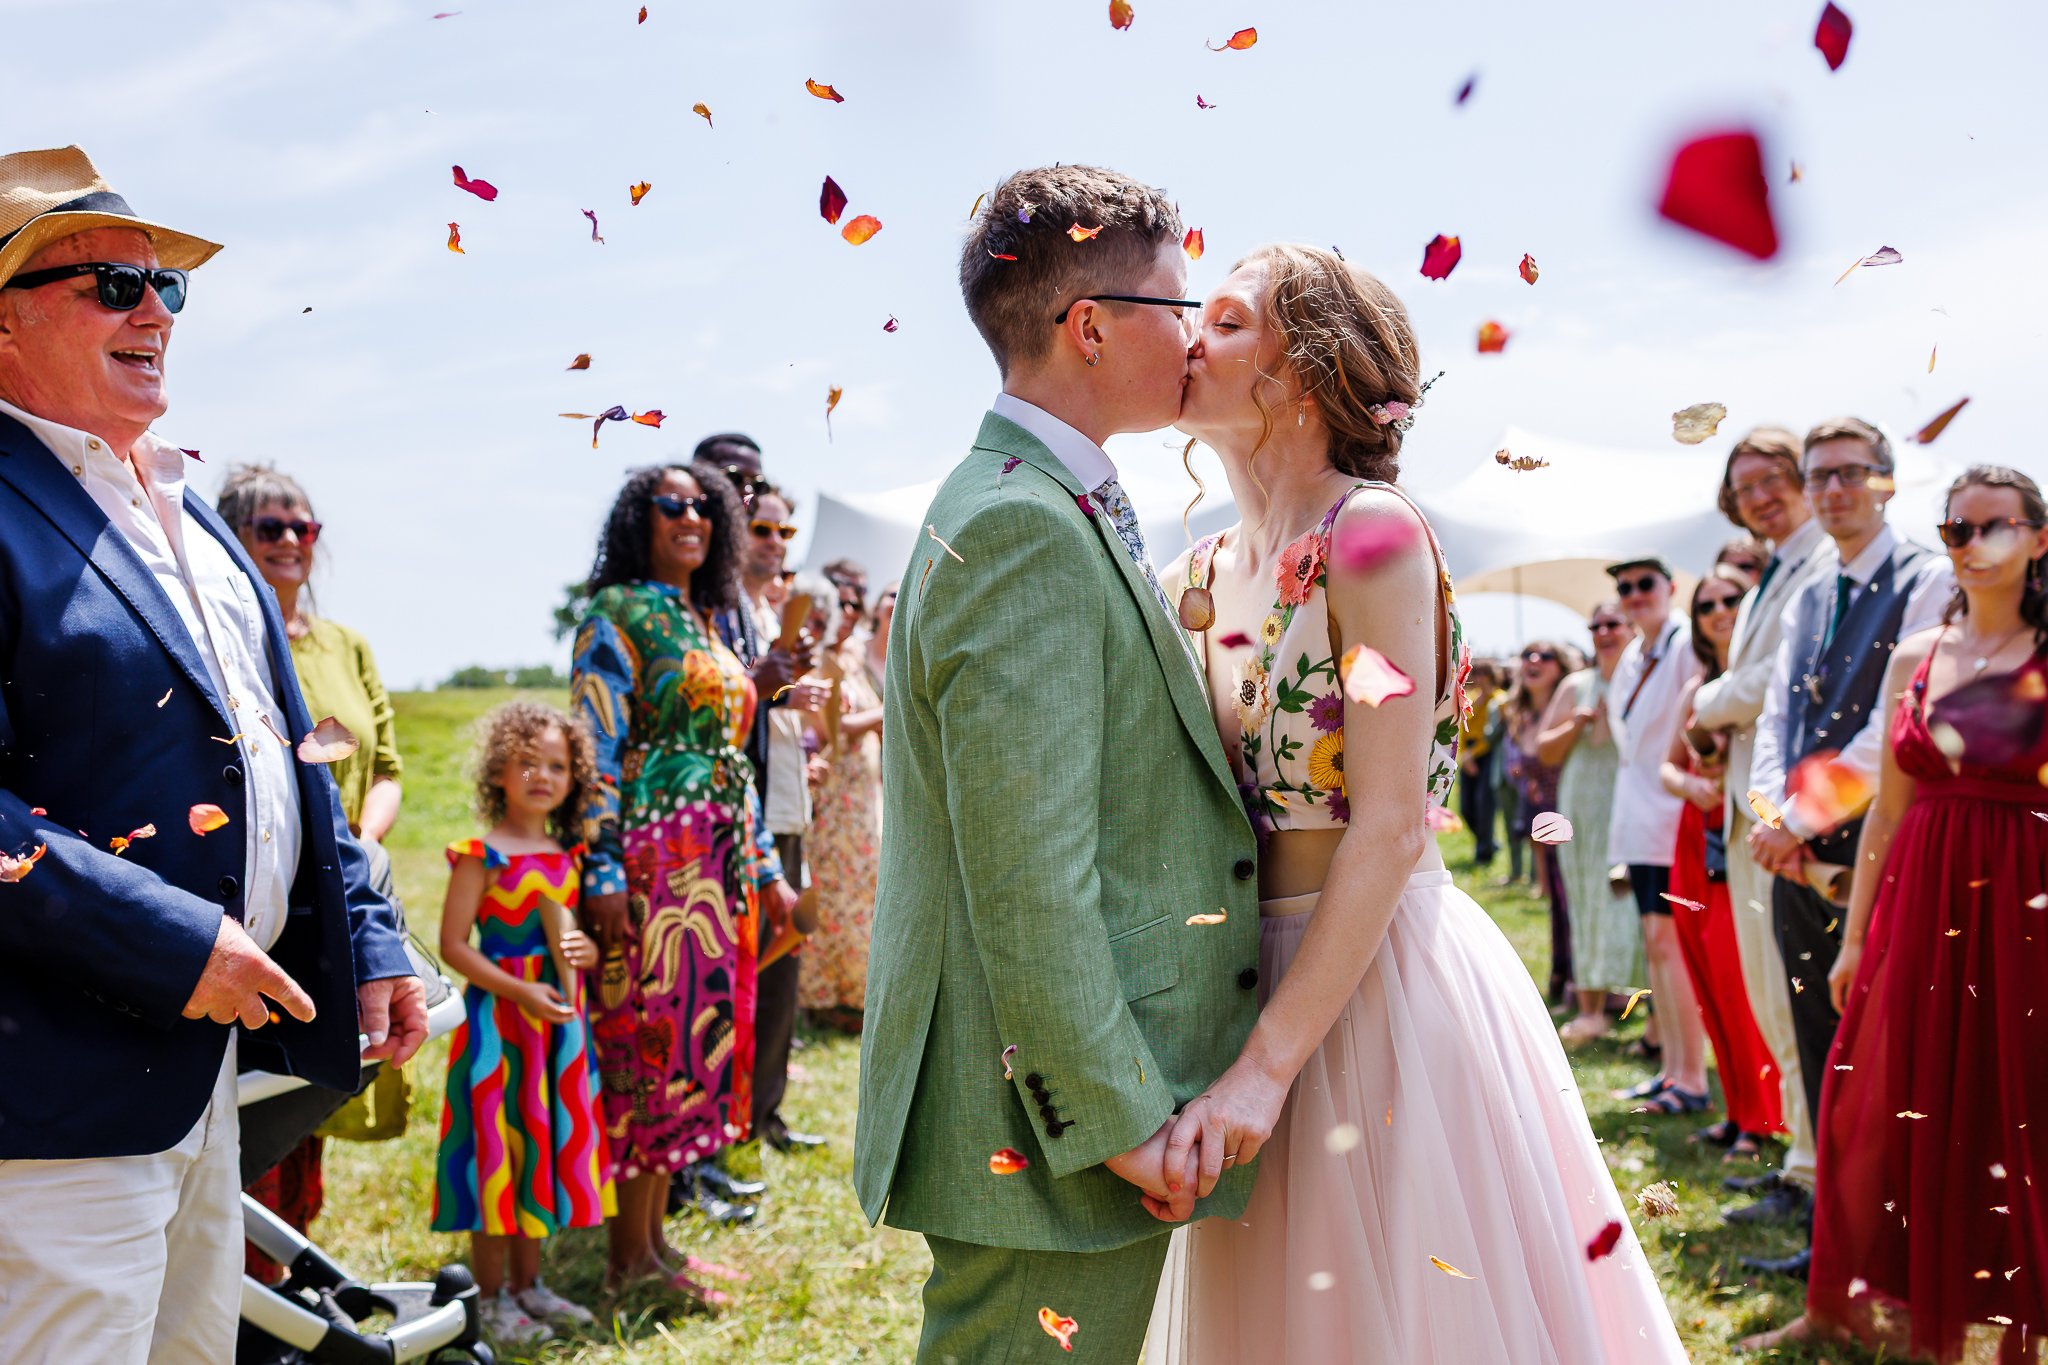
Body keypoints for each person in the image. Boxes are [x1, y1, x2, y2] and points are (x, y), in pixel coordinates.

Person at [1146, 243, 1684, 1363]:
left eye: (1229, 321)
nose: (1189, 337)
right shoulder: (1186, 574)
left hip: (1377, 976)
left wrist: (1264, 1069)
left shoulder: (1372, 534)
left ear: (1304, 370)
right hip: (1230, 979)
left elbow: (1389, 828)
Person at [0, 144, 424, 1363]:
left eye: (165, 286)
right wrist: (175, 943)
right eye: (111, 284)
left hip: (200, 1085)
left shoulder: (190, 512)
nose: (153, 310)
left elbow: (286, 759)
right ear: (6, 321)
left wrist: (372, 934)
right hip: (51, 1101)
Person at [853, 164, 1262, 1364]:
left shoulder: (1031, 500)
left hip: (1049, 1105)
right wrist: (1117, 1119)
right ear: (1089, 326)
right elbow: (1027, 869)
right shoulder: (1018, 525)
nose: (1194, 340)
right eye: (1176, 310)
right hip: (1043, 1124)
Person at [1745, 465, 2048, 1361]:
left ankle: (2008, 1312)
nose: (1975, 544)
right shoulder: (1918, 654)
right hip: (1921, 896)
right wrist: (1860, 933)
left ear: (2039, 537)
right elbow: (1886, 804)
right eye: (1958, 529)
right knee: (1877, 1095)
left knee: (2013, 1103)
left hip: (2025, 906)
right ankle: (1857, 1299)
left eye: (1998, 526)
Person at [570, 460, 800, 1294]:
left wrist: (767, 868)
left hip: (718, 865)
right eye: (672, 505)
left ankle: (657, 1242)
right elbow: (593, 745)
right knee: (646, 1048)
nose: (691, 517)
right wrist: (598, 867)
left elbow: (732, 756)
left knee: (687, 1061)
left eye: (705, 506)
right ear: (642, 519)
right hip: (650, 868)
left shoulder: (706, 621)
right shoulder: (617, 611)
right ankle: (626, 1259)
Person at [1738, 416, 1954, 1278]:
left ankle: (1902, 1244)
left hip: (1882, 843)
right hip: (1794, 843)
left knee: (1888, 1042)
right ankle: (1839, 1241)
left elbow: (1895, 728)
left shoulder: (1929, 580)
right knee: (1820, 1033)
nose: (1832, 489)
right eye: (1820, 474)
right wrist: (1771, 812)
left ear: (1887, 481)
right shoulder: (1807, 594)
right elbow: (1776, 721)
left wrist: (1799, 820)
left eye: (1850, 473)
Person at [218, 465, 409, 1278]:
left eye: (305, 527)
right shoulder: (228, 638)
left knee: (317, 1097)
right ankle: (251, 1302)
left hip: (350, 887)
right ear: (232, 537)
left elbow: (389, 761)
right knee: (261, 1103)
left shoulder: (346, 644)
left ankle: (295, 1282)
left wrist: (357, 846)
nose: (292, 540)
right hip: (274, 898)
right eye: (270, 528)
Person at [432, 702, 611, 1346]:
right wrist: (520, 991)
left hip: (554, 1032)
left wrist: (584, 953)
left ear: (575, 778)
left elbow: (570, 939)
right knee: (495, 1155)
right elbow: (455, 946)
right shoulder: (479, 854)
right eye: (526, 761)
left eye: (558, 765)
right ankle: (492, 1297)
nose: (543, 775)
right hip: (497, 1030)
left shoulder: (568, 857)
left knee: (541, 1148)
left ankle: (531, 1285)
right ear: (498, 771)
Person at [1689, 427, 1830, 1229]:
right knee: (1768, 989)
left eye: (1776, 478)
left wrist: (1703, 705)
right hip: (1751, 805)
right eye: (1746, 486)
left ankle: (1815, 1170)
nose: (1762, 495)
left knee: (1792, 990)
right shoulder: (1774, 568)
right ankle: (1802, 1156)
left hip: (1791, 814)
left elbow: (1775, 679)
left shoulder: (1818, 561)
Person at [1657, 567, 1783, 1160]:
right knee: (1709, 978)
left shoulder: (1765, 679)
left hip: (1744, 833)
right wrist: (1691, 786)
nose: (1719, 610)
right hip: (1697, 835)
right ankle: (1738, 1112)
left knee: (1742, 977)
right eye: (1706, 604)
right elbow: (1667, 766)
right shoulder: (1698, 687)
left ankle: (1767, 1118)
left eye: (1732, 598)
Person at [723, 469, 829, 1167]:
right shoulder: (727, 611)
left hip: (788, 809)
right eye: (762, 528)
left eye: (786, 531)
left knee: (782, 970)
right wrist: (781, 691)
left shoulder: (772, 611)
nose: (775, 542)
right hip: (750, 811)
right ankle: (736, 1119)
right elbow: (737, 700)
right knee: (748, 972)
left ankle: (765, 1110)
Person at [1603, 554, 1712, 1112]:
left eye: (1646, 583)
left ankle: (1692, 1078)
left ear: (1671, 586)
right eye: (1626, 587)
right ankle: (1672, 1069)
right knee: (1655, 945)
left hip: (1671, 816)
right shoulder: (1631, 654)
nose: (1635, 593)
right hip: (1640, 818)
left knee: (1672, 947)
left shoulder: (1687, 642)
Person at [1542, 601, 1640, 1045]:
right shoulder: (1575, 684)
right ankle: (1590, 1009)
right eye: (1595, 624)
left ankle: (1644, 1003)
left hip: (1630, 800)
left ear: (1631, 627)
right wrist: (1576, 723)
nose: (1603, 632)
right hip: (1582, 802)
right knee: (1583, 896)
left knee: (1635, 899)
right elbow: (1543, 749)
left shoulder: (1644, 678)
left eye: (1612, 624)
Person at [797, 564, 884, 1032]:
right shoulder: (812, 659)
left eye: (857, 602)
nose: (849, 612)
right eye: (842, 602)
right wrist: (884, 713)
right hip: (829, 796)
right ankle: (824, 997)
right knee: (831, 892)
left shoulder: (850, 659)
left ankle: (857, 994)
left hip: (860, 794)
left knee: (860, 890)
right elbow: (824, 726)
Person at [1503, 641, 1575, 1000]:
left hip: (1574, 810)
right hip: (1543, 812)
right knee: (1556, 899)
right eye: (1528, 654)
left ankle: (1582, 981)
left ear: (1560, 667)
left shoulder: (1568, 710)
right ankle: (1563, 977)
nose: (1533, 661)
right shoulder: (1521, 714)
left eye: (1545, 655)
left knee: (1570, 896)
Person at [1456, 659, 1503, 865]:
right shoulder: (1471, 698)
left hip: (1487, 755)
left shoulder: (1500, 700)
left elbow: (1491, 737)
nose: (1480, 678)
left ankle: (1484, 853)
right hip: (1469, 755)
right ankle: (1488, 841)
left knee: (1484, 805)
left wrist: (1471, 755)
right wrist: (1465, 755)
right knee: (1466, 807)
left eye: (1485, 673)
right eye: (1478, 674)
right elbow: (1462, 730)